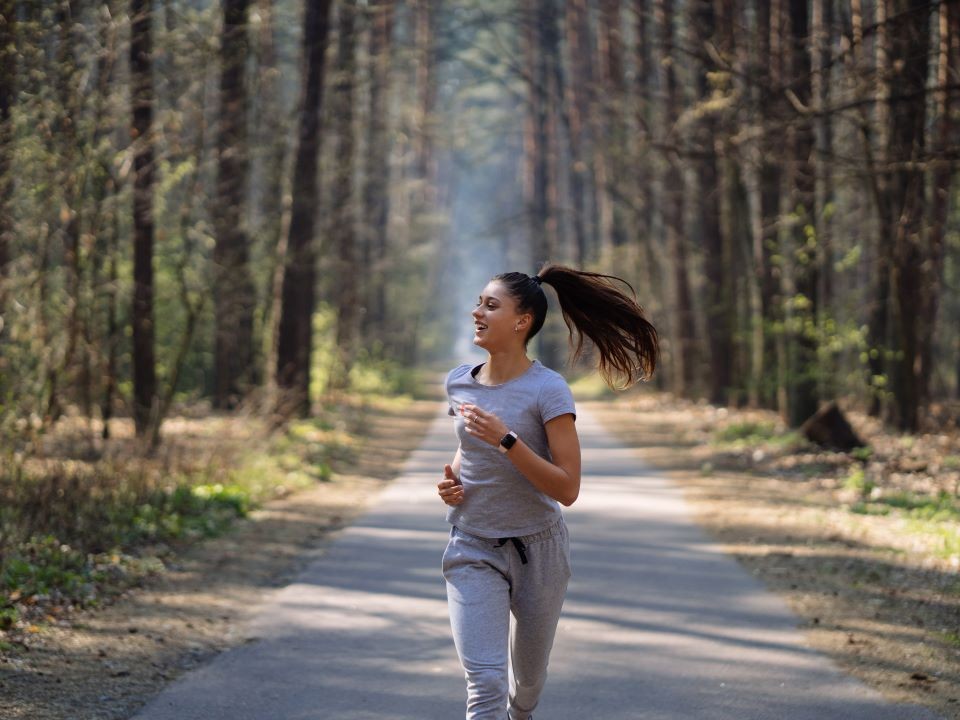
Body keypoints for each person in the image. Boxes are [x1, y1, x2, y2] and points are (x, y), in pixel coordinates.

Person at [437, 263, 659, 720]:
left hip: (539, 551)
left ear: (522, 322)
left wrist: (507, 440)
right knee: (486, 682)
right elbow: (467, 448)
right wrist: (454, 482)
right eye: (479, 302)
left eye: (490, 305)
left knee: (528, 683)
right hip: (472, 546)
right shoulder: (460, 381)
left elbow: (568, 488)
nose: (476, 311)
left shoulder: (548, 390)